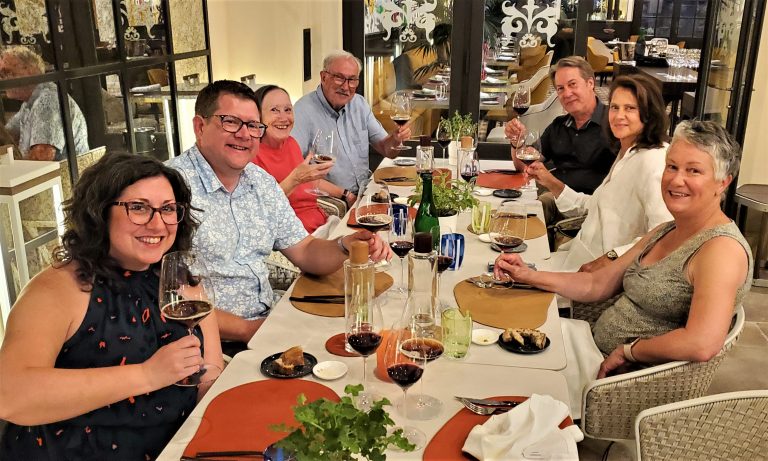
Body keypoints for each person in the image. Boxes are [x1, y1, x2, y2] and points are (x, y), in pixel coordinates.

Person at [494, 120, 753, 417]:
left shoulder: (720, 250)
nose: (676, 180)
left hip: (620, 379)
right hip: (587, 344)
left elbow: (701, 343)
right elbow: (597, 284)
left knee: (505, 373)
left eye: (693, 171)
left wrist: (630, 350)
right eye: (672, 167)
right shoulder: (668, 229)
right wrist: (528, 274)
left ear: (723, 182)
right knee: (498, 343)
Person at [0, 153, 222, 460]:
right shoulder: (59, 288)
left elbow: (209, 377)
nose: (158, 223)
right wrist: (146, 375)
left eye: (168, 209)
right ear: (99, 213)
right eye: (139, 207)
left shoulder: (181, 279)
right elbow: (11, 395)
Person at [167, 80, 390, 352]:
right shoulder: (169, 189)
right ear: (200, 127)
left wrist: (346, 245)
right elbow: (167, 296)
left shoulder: (260, 181)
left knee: (370, 335)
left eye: (252, 125)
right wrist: (249, 330)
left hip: (270, 317)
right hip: (211, 345)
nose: (244, 134)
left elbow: (305, 251)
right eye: (231, 122)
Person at [525, 74, 672, 272]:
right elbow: (592, 206)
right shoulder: (627, 152)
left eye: (630, 108)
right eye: (615, 107)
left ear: (649, 114)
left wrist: (611, 258)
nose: (619, 116)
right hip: (578, 259)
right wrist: (550, 182)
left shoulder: (654, 160)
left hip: (604, 276)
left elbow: (663, 233)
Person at [293, 50, 411, 201]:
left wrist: (395, 139)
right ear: (323, 77)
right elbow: (295, 171)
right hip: (331, 199)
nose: (346, 87)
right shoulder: (302, 111)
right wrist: (345, 195)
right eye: (339, 78)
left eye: (352, 80)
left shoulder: (359, 104)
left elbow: (387, 150)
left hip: (365, 191)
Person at [505, 56, 615, 196]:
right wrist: (517, 142)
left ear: (590, 83)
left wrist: (550, 183)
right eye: (560, 88)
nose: (567, 94)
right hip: (556, 198)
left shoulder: (613, 123)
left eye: (572, 84)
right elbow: (524, 167)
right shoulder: (559, 125)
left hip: (593, 204)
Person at [252, 84, 334, 234]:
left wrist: (347, 194)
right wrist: (295, 179)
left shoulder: (291, 143)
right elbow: (261, 210)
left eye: (288, 110)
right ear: (258, 116)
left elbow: (309, 182)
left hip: (320, 224)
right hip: (296, 237)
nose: (283, 118)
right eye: (274, 110)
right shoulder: (252, 155)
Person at [0, 45, 89, 161]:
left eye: (6, 73)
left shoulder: (47, 101)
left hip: (65, 173)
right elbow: (7, 136)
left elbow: (42, 157)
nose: (1, 79)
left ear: (29, 70)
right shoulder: (29, 103)